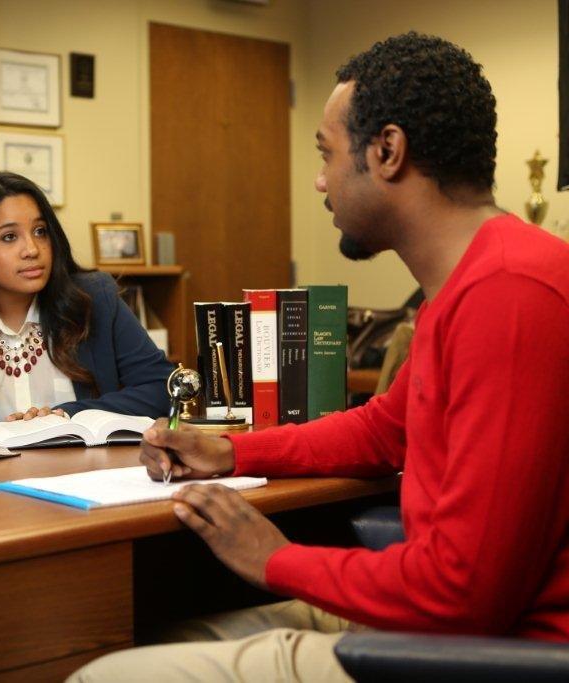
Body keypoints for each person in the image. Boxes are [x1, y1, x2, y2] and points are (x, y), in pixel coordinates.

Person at [72, 32, 569, 682]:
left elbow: (463, 594)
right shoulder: (475, 280)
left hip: (490, 653)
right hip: (432, 623)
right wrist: (232, 451)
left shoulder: (510, 293)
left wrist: (272, 557)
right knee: (156, 640)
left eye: (325, 154)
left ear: (387, 151)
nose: (318, 178)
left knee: (101, 679)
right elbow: (384, 428)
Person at [0, 171, 172, 437]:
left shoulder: (95, 297)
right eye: (9, 237)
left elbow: (161, 386)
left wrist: (67, 415)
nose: (32, 249)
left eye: (40, 231)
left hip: (91, 471)